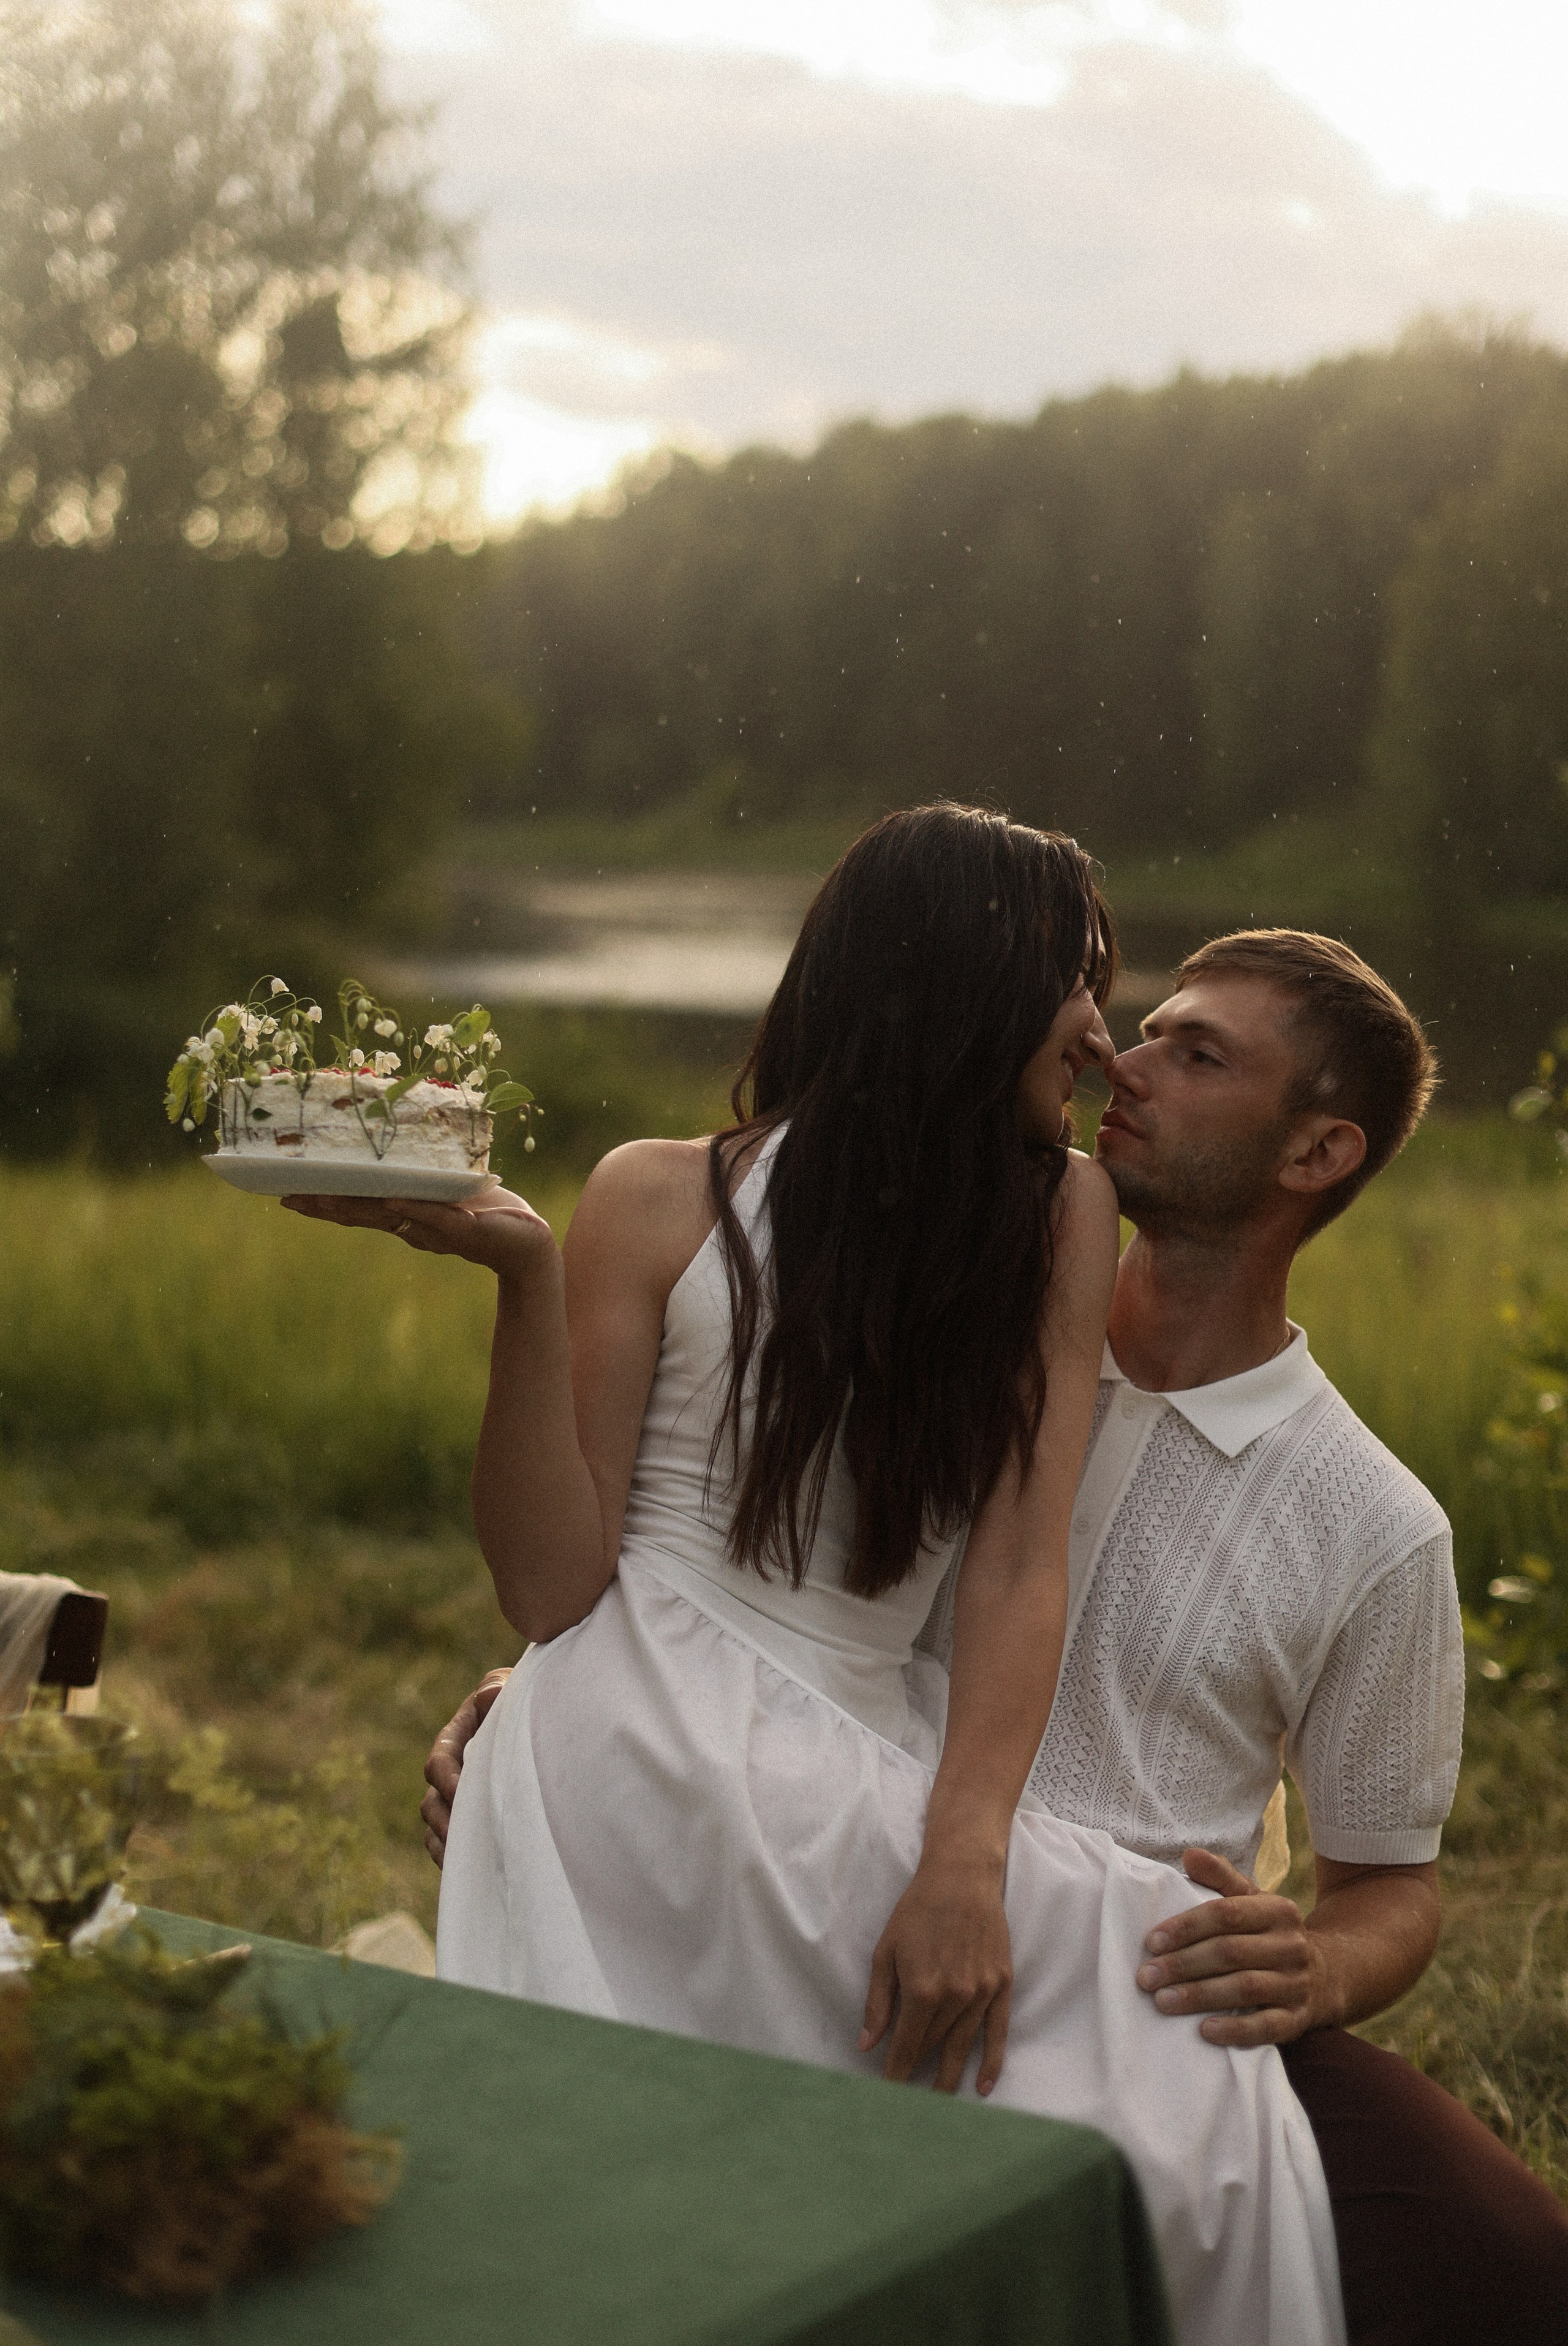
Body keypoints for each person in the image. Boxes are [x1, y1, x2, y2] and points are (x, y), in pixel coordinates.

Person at [423, 921, 1568, 2344]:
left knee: (1507, 2265)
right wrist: (557, 1706)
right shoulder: (942, 1340)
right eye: (1144, 1025)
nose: (1117, 1058)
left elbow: (1392, 1883)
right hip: (811, 1898)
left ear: (1314, 1155)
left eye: (1193, 1055)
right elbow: (734, 1586)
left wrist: (1318, 1966)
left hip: (1126, 1986)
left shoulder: (1368, 1524)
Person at [291, 808, 1344, 2346]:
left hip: (851, 1742)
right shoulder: (655, 1193)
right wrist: (520, 1276)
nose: (1102, 1039)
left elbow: (1010, 1570)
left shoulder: (1056, 1214)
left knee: (1186, 2066)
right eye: (1083, 980)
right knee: (701, 2191)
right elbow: (553, 1589)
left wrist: (963, 1863)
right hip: (632, 1734)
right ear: (967, 975)